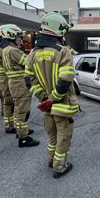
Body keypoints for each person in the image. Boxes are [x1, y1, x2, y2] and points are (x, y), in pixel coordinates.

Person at [25, 12, 77, 178]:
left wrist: (44, 98)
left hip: (47, 106)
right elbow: (65, 80)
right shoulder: (63, 51)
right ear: (58, 30)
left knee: (52, 136)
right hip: (61, 105)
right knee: (63, 137)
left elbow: (28, 80)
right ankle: (59, 166)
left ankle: (51, 159)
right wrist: (53, 98)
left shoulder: (32, 53)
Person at [1, 24, 38, 147]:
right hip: (20, 83)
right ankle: (23, 138)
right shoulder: (14, 51)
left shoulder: (6, 50)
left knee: (18, 108)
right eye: (18, 37)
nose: (20, 40)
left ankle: (20, 130)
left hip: (14, 82)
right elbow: (28, 63)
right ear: (12, 37)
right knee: (22, 111)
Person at [0, 28, 16, 134]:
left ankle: (11, 123)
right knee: (8, 101)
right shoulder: (0, 48)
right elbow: (9, 60)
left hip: (5, 76)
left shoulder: (1, 47)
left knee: (10, 101)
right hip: (4, 76)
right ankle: (10, 125)